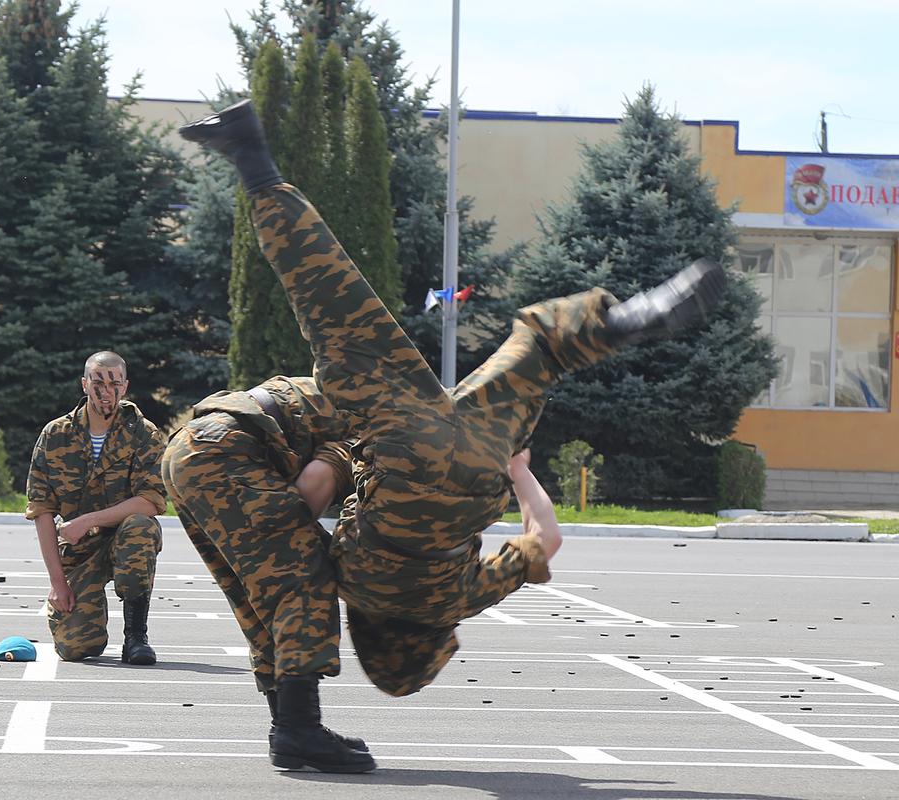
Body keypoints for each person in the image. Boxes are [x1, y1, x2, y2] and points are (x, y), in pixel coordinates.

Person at [179, 101, 727, 702]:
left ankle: (619, 323)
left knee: (542, 351)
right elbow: (309, 499)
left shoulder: (465, 596)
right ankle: (250, 153)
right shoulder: (349, 586)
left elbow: (547, 537)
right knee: (327, 295)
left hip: (478, 467)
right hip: (401, 436)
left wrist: (518, 472)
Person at [163, 375, 374, 773]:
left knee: (256, 592)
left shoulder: (354, 395)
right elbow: (312, 492)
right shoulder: (372, 430)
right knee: (303, 577)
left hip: (189, 448)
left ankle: (287, 728)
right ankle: (300, 730)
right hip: (225, 452)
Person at [26, 351, 166, 665]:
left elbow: (151, 500)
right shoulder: (55, 435)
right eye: (98, 382)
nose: (107, 391)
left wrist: (87, 519)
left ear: (125, 386)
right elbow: (41, 510)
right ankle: (80, 618)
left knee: (142, 527)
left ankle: (136, 636)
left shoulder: (144, 434)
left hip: (124, 540)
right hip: (78, 553)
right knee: (77, 648)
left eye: (115, 383)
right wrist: (58, 584)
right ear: (84, 384)